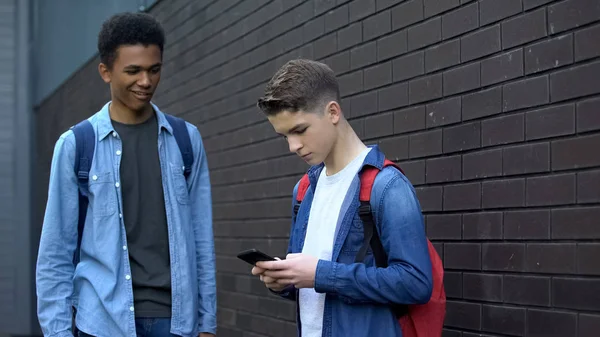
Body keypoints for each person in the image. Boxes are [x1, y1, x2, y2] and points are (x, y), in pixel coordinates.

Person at [35, 12, 216, 337]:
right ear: (105, 71)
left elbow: (201, 238)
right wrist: (58, 332)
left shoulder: (186, 140)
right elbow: (55, 253)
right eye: (133, 71)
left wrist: (207, 323)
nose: (145, 81)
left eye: (154, 69)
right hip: (102, 322)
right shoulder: (77, 145)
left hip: (175, 322)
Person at [251, 59, 433, 337]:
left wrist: (321, 275)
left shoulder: (386, 187)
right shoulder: (303, 190)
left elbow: (416, 283)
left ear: (333, 112)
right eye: (284, 135)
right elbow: (310, 283)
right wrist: (284, 281)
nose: (293, 146)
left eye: (299, 130)